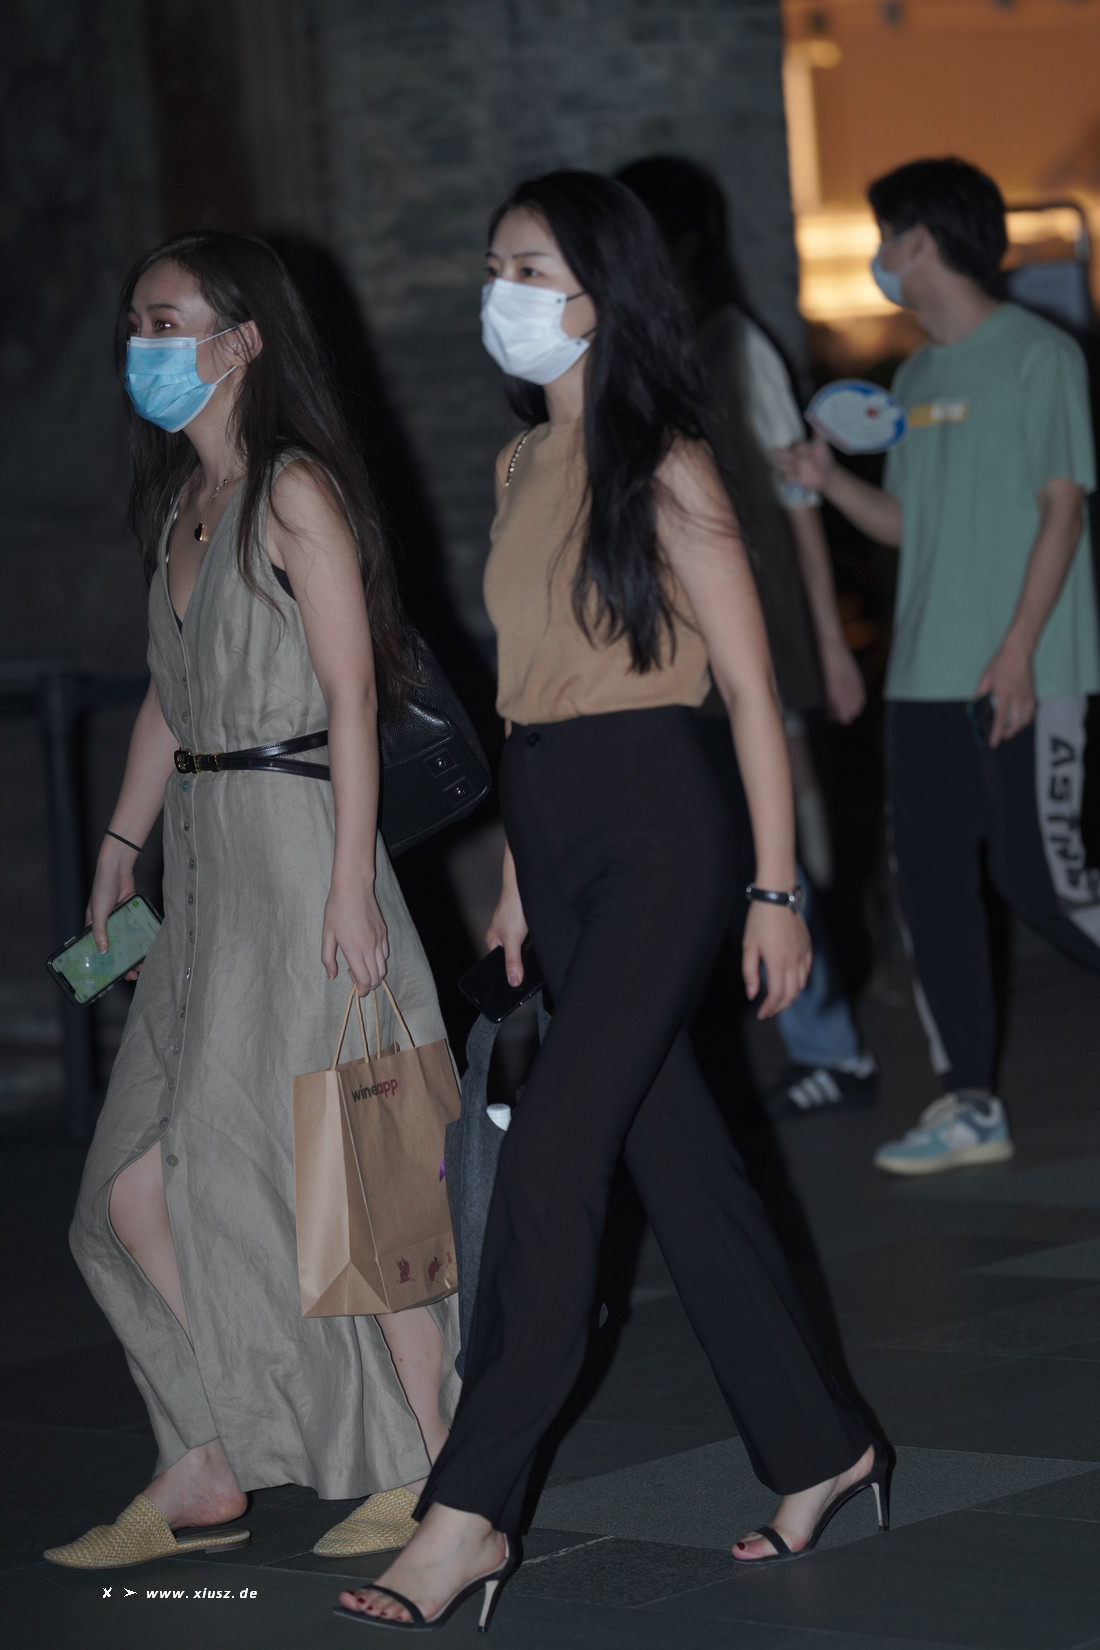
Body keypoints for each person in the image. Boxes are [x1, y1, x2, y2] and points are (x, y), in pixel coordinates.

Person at [336, 170, 885, 1633]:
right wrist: (517, 879)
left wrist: (777, 889)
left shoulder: (671, 463)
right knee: (678, 1158)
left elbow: (755, 695)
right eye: (494, 264)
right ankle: (821, 1446)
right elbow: (528, 697)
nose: (498, 292)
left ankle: (467, 1514)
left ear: (598, 293)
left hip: (662, 824)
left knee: (554, 1157)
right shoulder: (524, 462)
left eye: (526, 267)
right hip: (555, 823)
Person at [46, 230, 460, 1570]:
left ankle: (429, 1458)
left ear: (242, 340)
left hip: (297, 843)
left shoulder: (293, 489)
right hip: (205, 860)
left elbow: (352, 693)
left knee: (352, 1160)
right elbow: (171, 694)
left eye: (166, 321)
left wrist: (349, 886)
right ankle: (209, 1447)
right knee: (131, 1188)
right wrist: (119, 844)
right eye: (135, 321)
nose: (143, 345)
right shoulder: (184, 501)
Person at [774, 157, 1100, 1175]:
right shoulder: (914, 378)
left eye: (885, 236)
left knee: (1040, 883)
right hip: (922, 679)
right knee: (931, 894)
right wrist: (829, 482)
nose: (878, 257)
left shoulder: (1038, 355)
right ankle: (968, 1103)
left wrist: (1018, 651)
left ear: (918, 241)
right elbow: (908, 524)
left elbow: (1062, 511)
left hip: (1024, 669)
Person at [615, 154, 877, 1118]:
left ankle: (830, 1035)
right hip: (672, 646)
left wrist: (828, 644)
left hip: (747, 637)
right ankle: (813, 1031)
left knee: (777, 836)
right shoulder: (643, 350)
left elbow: (796, 500)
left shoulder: (734, 343)